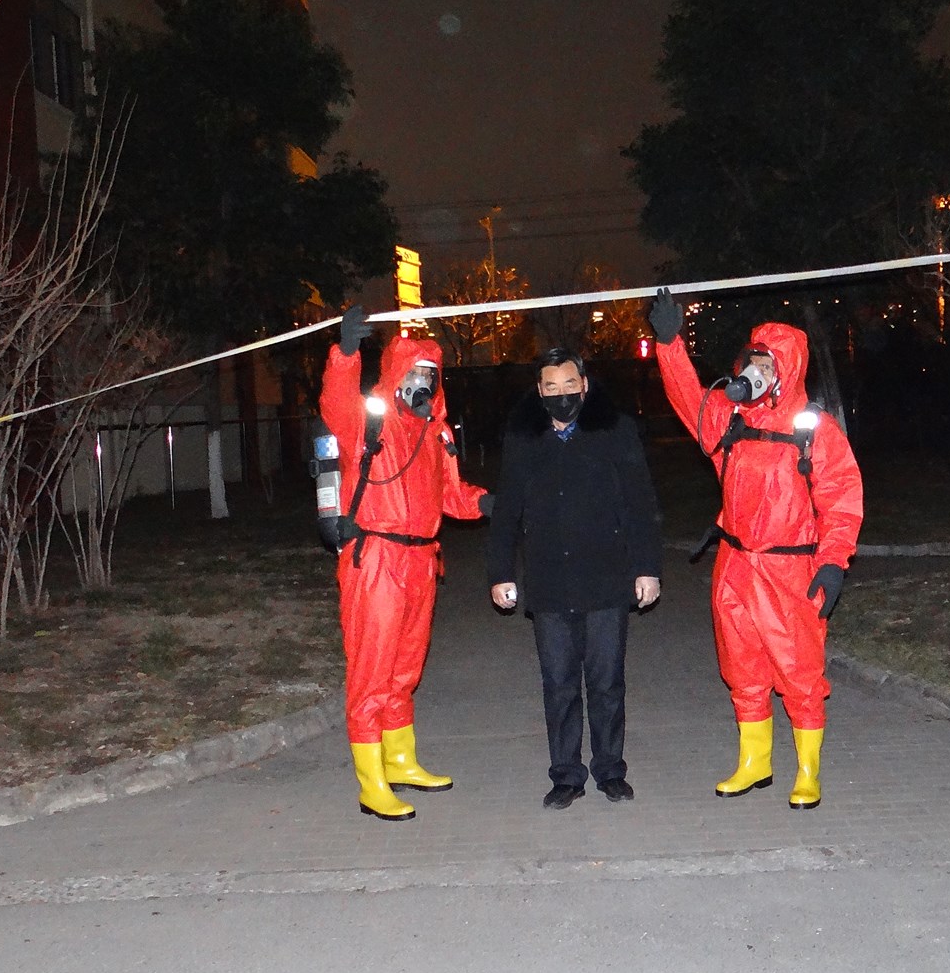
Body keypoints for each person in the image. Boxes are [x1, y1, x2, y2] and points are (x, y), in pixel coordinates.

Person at [647, 291, 865, 808]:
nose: (757, 373)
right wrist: (669, 344)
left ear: (788, 370)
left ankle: (807, 771)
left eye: (768, 365)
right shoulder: (730, 418)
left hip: (790, 570)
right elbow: (690, 400)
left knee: (799, 671)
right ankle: (755, 761)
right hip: (735, 565)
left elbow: (841, 499)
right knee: (742, 668)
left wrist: (833, 562)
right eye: (753, 361)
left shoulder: (813, 428)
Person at [321, 306, 488, 820]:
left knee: (405, 669)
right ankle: (371, 783)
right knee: (372, 670)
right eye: (415, 373)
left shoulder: (436, 433)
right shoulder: (368, 421)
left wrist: (489, 503)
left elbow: (452, 495)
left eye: (431, 375)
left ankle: (399, 761)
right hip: (375, 559)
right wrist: (346, 353)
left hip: (421, 561)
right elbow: (335, 403)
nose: (423, 383)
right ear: (396, 373)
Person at [486, 348, 664, 809]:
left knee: (607, 683)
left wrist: (647, 568)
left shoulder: (615, 431)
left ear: (584, 386)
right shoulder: (524, 438)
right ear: (539, 390)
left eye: (570, 385)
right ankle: (566, 775)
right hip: (549, 581)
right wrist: (500, 573)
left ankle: (610, 770)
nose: (562, 395)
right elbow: (506, 511)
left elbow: (641, 504)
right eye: (552, 387)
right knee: (559, 684)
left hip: (606, 577)